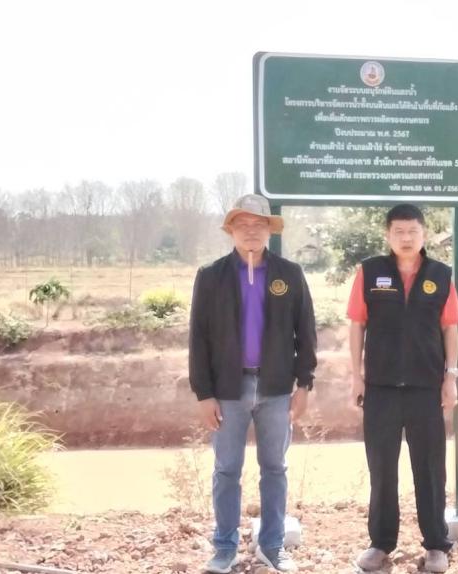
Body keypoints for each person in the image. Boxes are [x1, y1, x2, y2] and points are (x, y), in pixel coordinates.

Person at [188, 194, 317, 573]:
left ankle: (272, 546)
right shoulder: (211, 277)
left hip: (276, 388)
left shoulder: (289, 274)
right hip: (228, 390)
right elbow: (198, 339)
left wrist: (304, 384)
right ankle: (225, 547)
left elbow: (305, 332)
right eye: (242, 225)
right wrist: (204, 393)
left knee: (274, 468)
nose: (251, 232)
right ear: (230, 230)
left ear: (269, 231)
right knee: (227, 469)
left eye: (258, 225)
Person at [347, 204, 458, 573]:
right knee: (382, 469)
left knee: (430, 469)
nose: (406, 237)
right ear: (388, 235)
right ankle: (381, 543)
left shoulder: (440, 275)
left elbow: (450, 328)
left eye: (413, 231)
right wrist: (356, 375)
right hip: (380, 388)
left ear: (424, 234)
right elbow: (356, 325)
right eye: (398, 231)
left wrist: (451, 377)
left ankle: (436, 545)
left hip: (426, 388)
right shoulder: (370, 272)